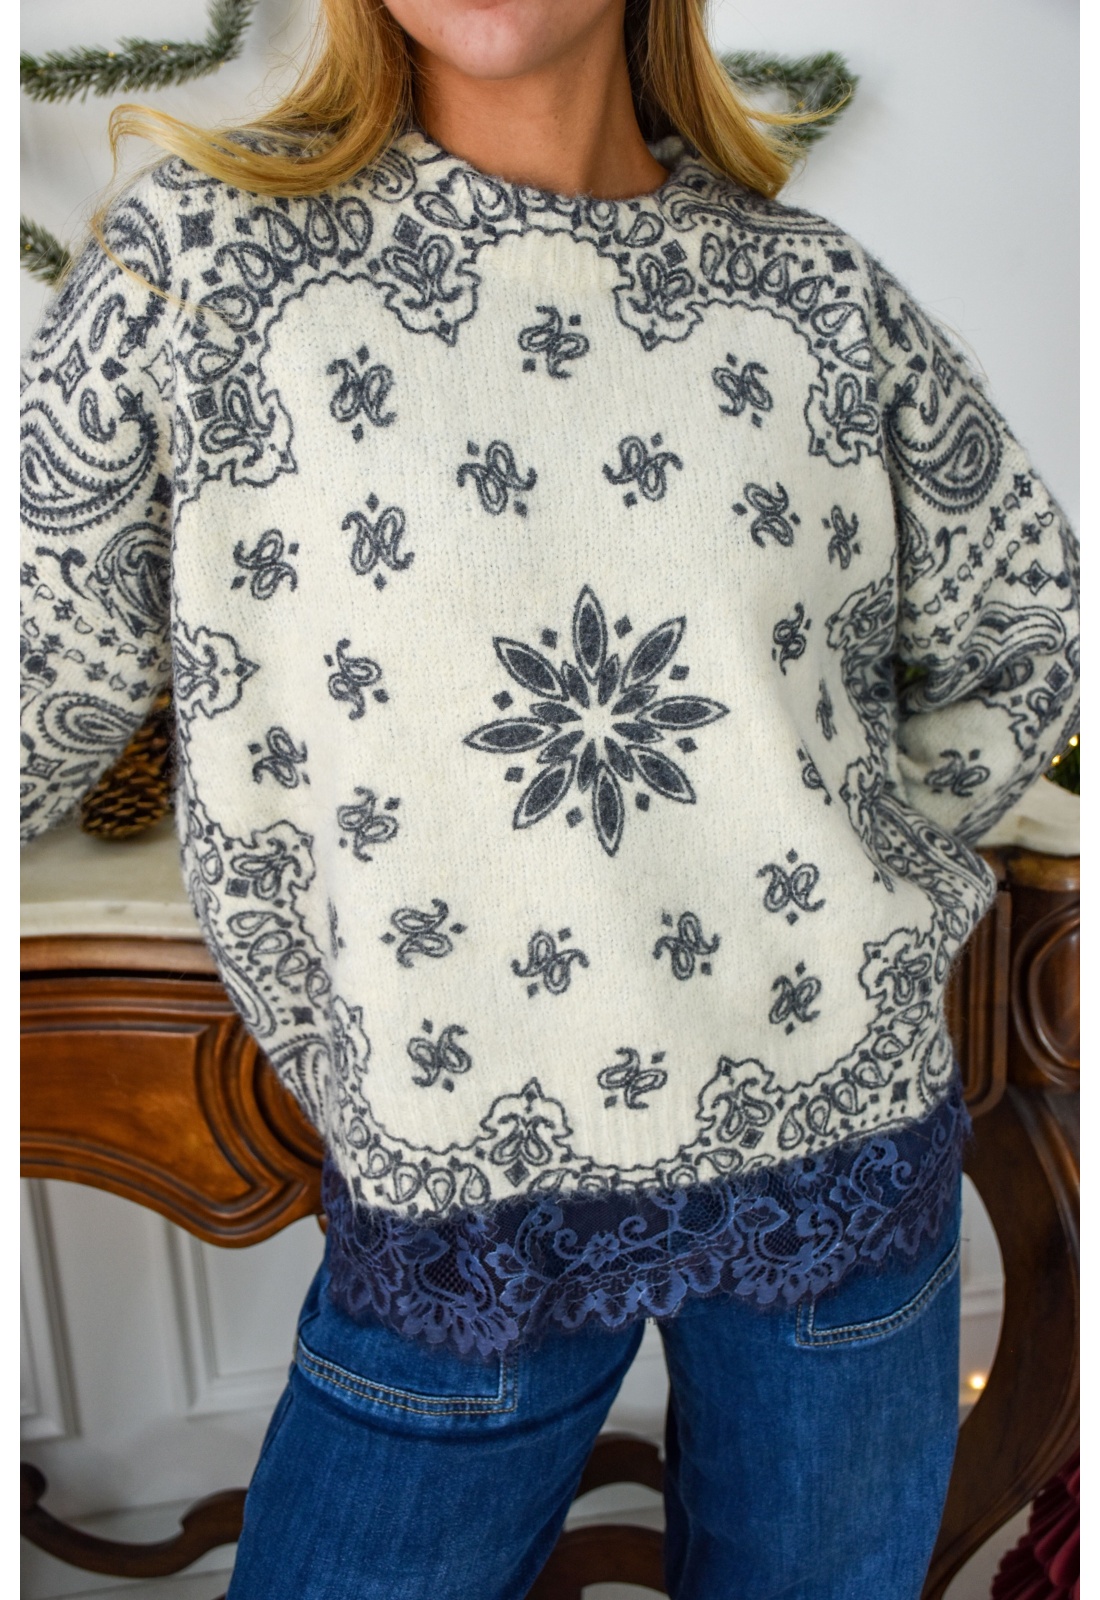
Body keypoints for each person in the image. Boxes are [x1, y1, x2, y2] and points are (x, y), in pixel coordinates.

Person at [18, 1, 1079, 1595]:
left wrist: (829, 853)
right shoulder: (203, 270)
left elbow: (1023, 625)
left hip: (843, 1155)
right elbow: (36, 666)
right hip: (459, 1191)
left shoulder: (817, 300)